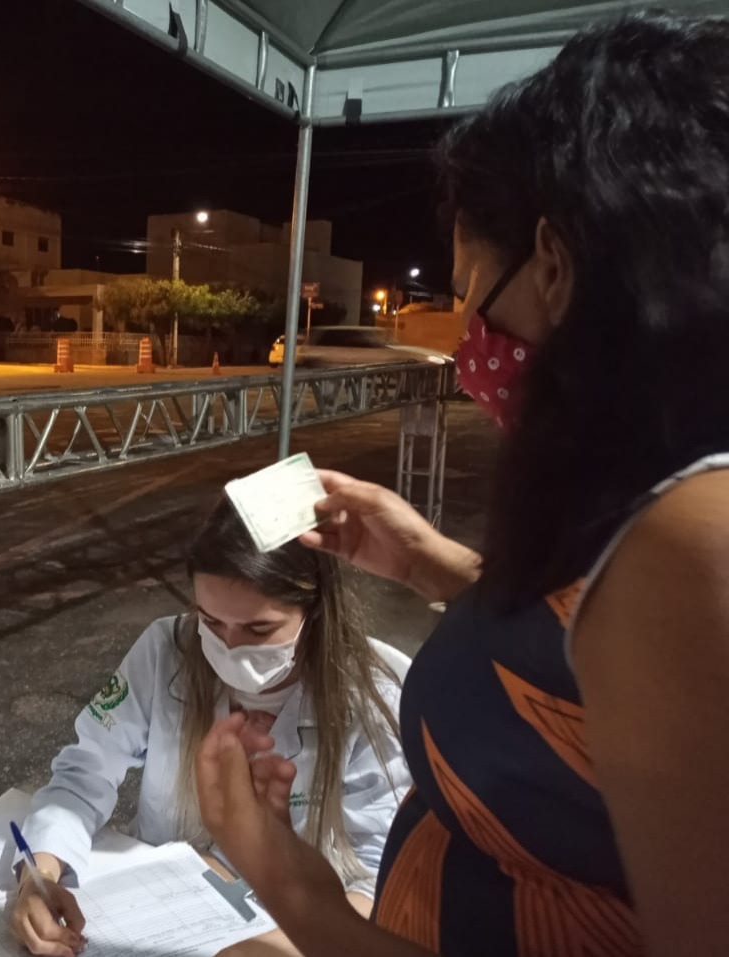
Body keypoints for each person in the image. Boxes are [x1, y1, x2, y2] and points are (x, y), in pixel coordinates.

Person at [195, 13, 729, 957]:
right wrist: (436, 566)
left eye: (474, 298)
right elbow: (587, 659)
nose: (473, 346)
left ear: (556, 264)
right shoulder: (647, 494)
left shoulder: (694, 543)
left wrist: (295, 892)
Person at [11, 497, 411, 957]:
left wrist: (278, 948)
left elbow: (379, 875)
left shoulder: (370, 695)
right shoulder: (166, 651)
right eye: (211, 621)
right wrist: (39, 874)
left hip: (292, 929)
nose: (231, 648)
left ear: (316, 609)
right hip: (156, 910)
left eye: (258, 631)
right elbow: (85, 773)